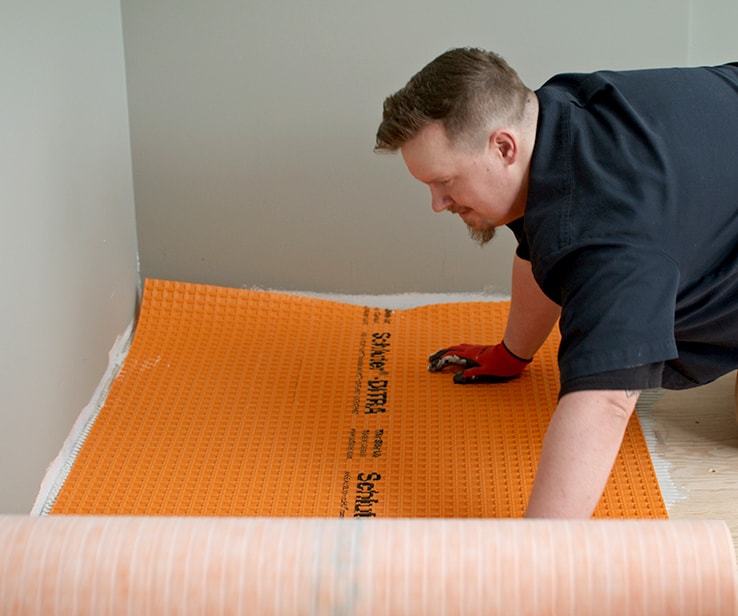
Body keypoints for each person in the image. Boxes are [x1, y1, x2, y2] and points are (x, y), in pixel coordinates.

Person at [375, 47, 738, 518]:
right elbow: (541, 242)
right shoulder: (554, 115)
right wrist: (511, 353)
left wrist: (536, 560)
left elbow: (606, 402)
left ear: (503, 147)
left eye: (446, 183)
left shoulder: (609, 235)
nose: (437, 204)